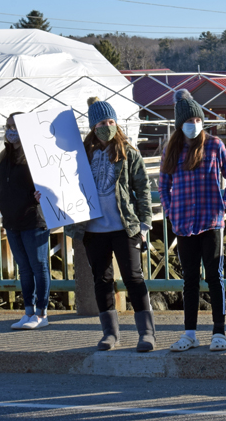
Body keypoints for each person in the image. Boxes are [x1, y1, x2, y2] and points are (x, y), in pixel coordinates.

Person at [66, 97, 157, 351]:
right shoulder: (82, 154)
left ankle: (146, 333)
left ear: (116, 122)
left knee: (134, 278)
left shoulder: (130, 153)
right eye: (101, 123)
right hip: (93, 230)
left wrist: (145, 224)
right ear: (92, 127)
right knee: (102, 280)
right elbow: (66, 187)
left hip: (125, 227)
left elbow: (143, 189)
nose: (106, 126)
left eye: (110, 121)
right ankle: (110, 333)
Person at [159, 90, 226, 352]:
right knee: (190, 280)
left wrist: (224, 205)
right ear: (180, 123)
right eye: (189, 120)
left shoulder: (215, 145)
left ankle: (219, 331)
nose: (194, 125)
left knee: (215, 277)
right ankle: (190, 333)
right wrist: (170, 211)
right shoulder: (171, 150)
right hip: (183, 224)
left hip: (210, 221)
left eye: (198, 120)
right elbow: (163, 185)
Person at [0, 112, 50, 330]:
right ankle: (28, 311)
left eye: (15, 127)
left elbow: (48, 184)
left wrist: (38, 197)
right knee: (24, 269)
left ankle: (41, 313)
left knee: (39, 266)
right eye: (8, 126)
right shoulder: (4, 156)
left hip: (34, 219)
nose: (10, 131)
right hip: (12, 220)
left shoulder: (35, 155)